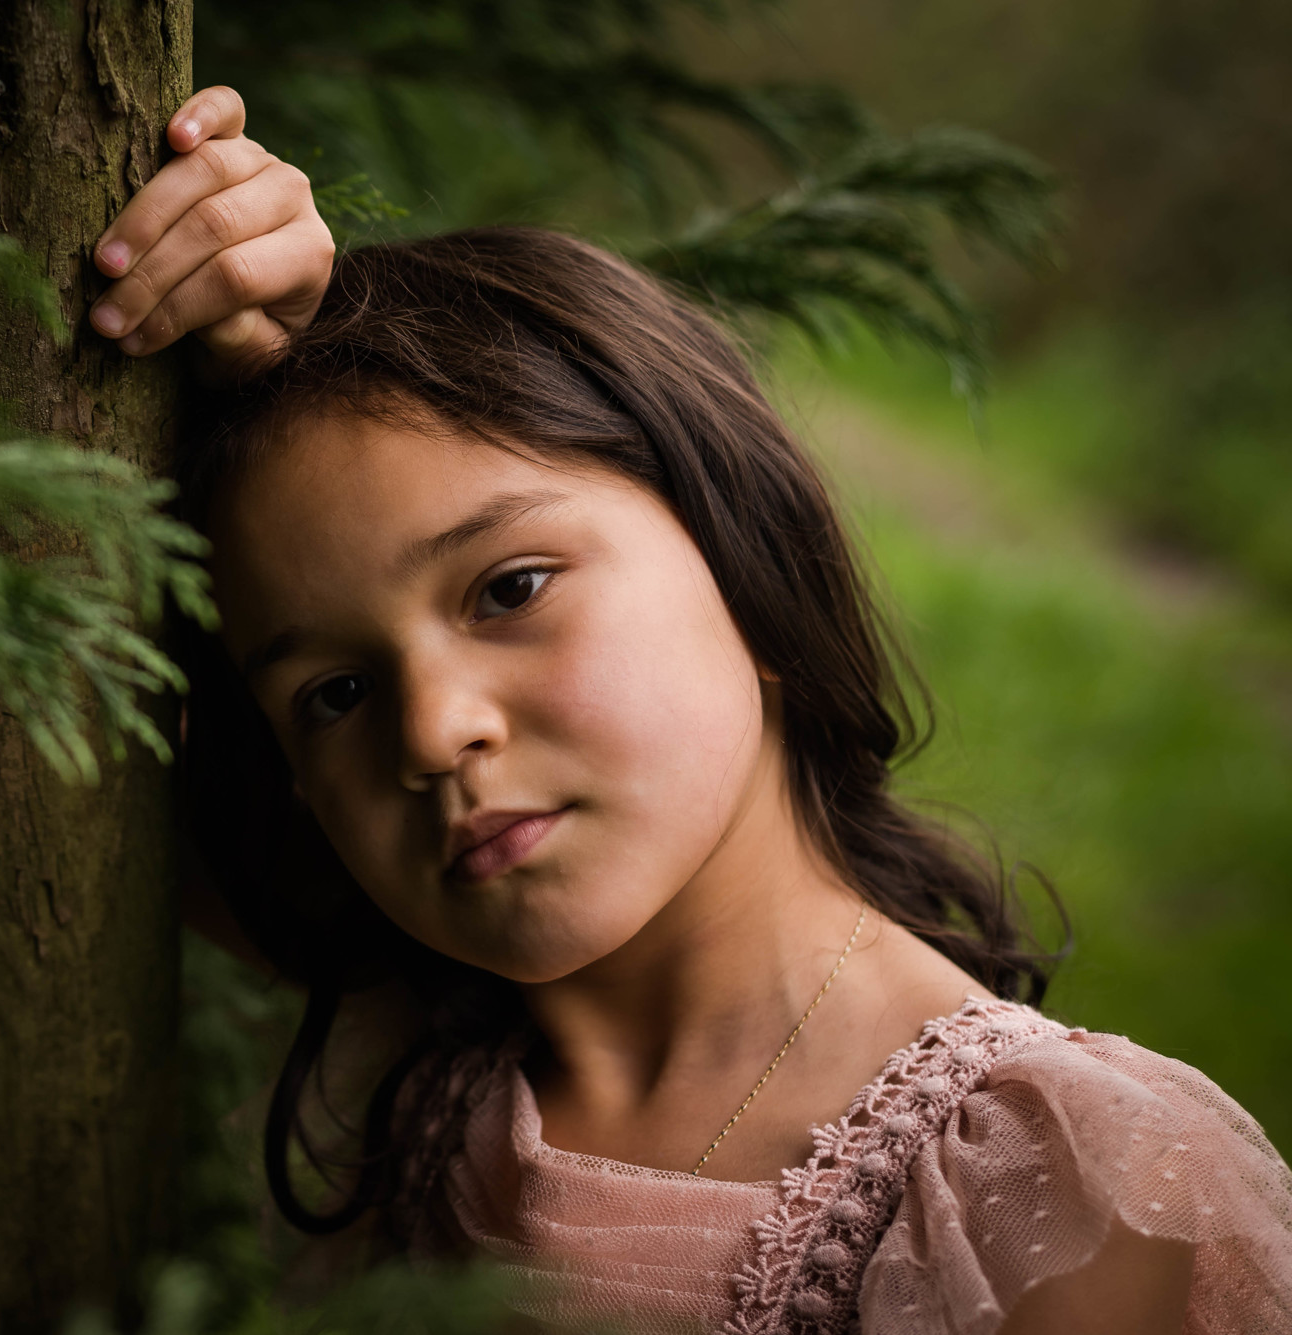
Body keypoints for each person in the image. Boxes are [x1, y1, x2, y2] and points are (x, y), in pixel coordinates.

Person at [88, 86, 1292, 1334]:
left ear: (745, 559)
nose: (435, 733)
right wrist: (211, 354)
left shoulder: (1074, 1199)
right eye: (332, 693)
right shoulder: (414, 1049)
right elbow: (29, 720)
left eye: (508, 589)